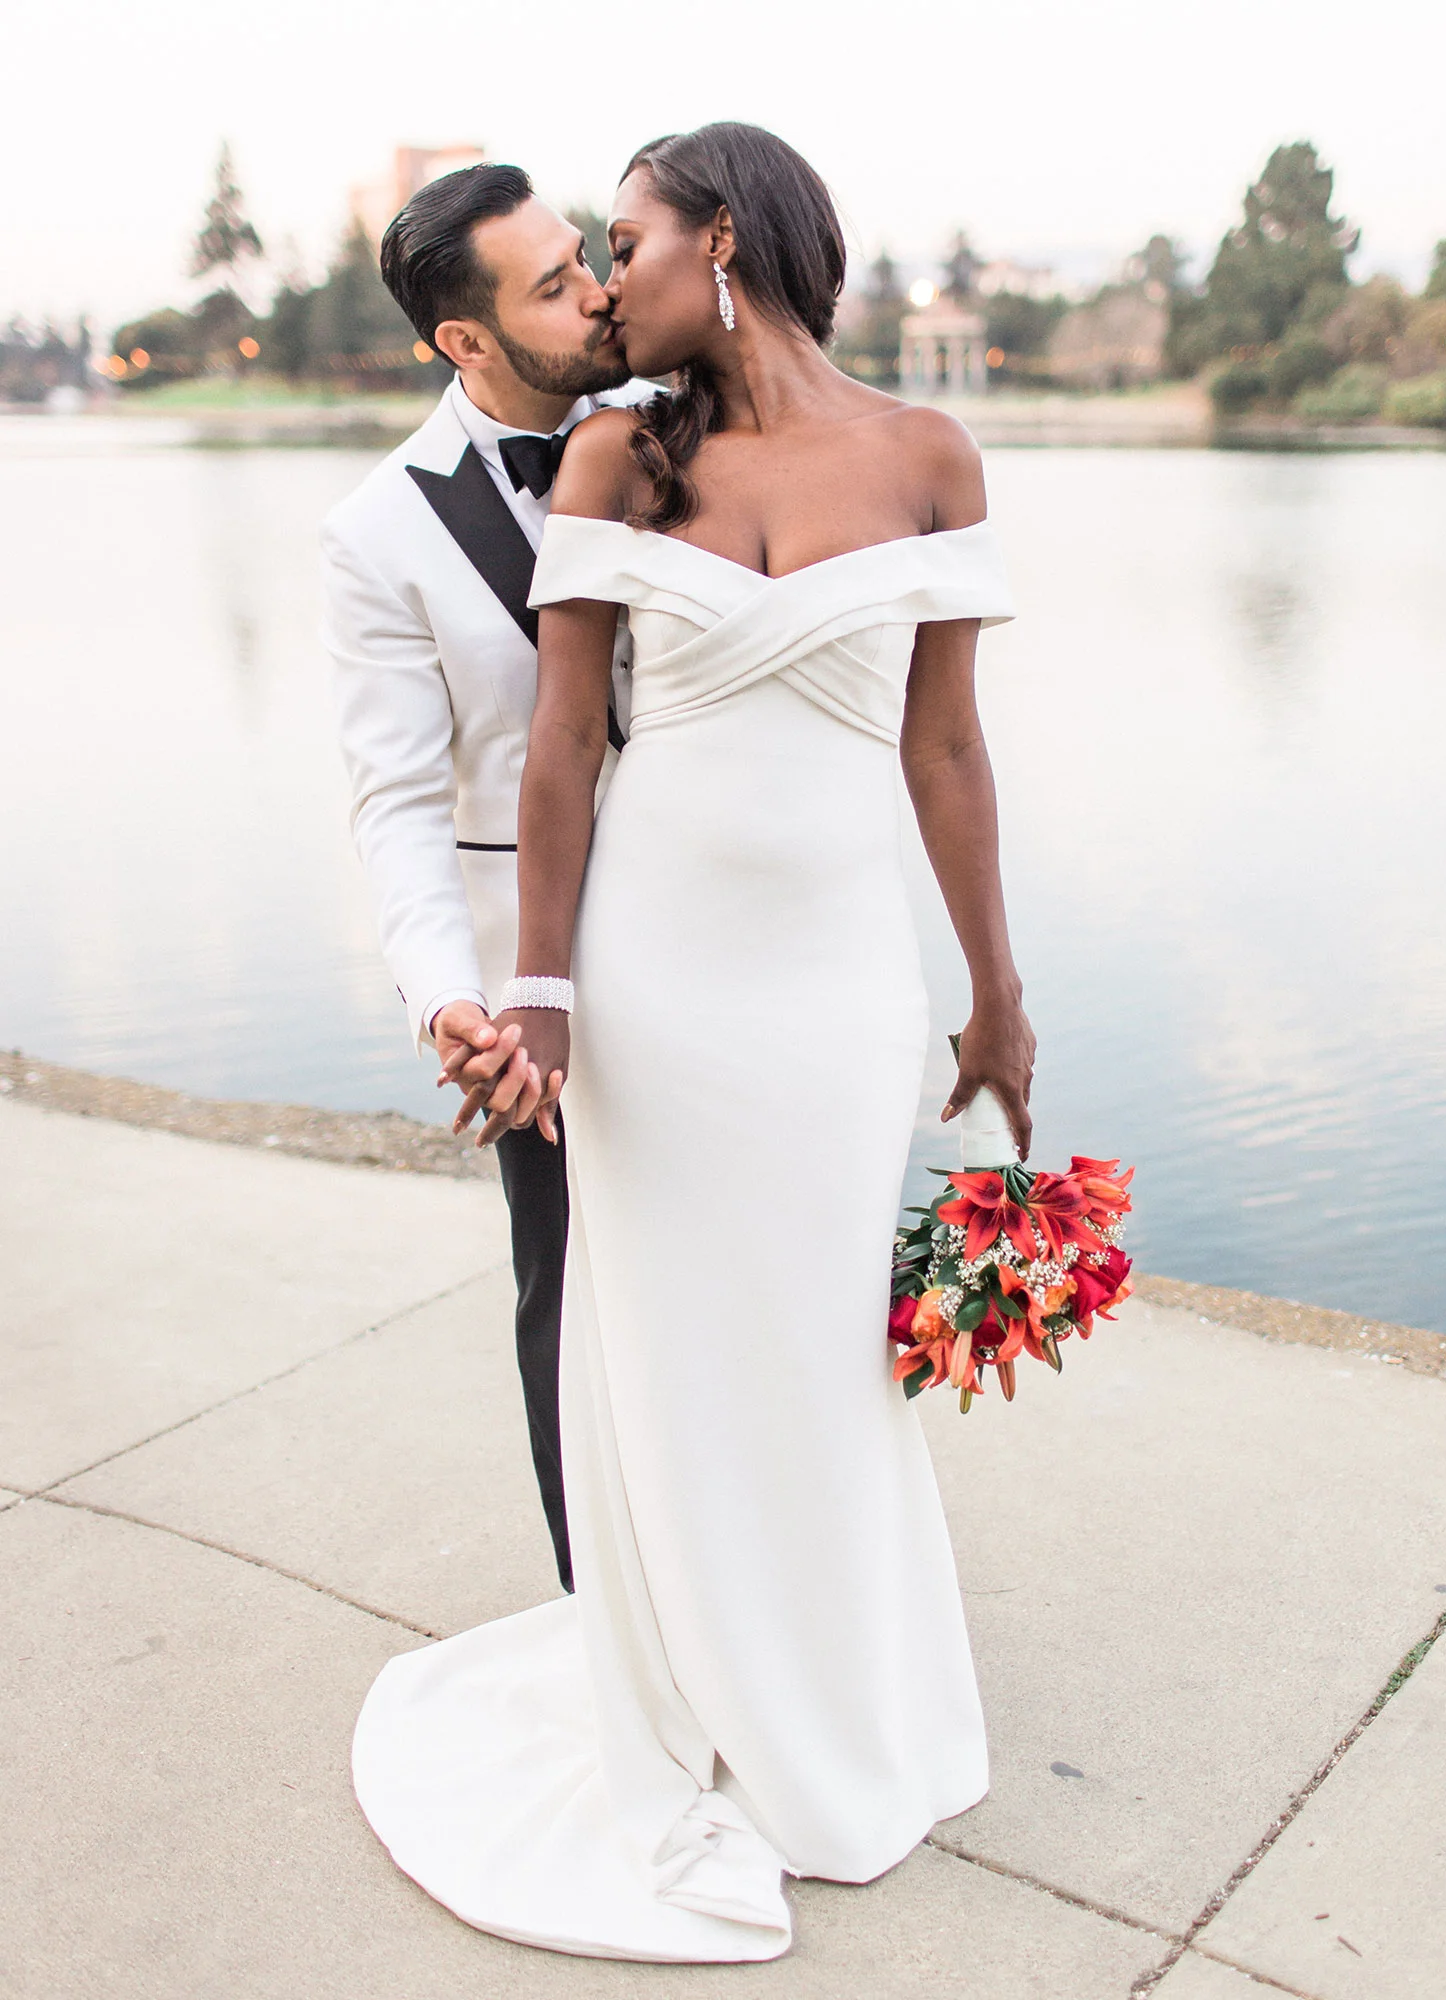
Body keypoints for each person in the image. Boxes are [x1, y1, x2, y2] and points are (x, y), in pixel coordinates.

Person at [351, 123, 1035, 1963]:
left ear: (719, 241)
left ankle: (835, 1695)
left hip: (835, 988)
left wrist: (999, 985)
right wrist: (546, 996)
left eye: (625, 241)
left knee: (821, 1345)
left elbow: (945, 749)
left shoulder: (929, 454)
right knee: (661, 1347)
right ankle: (695, 1706)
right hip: (654, 982)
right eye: (580, 260)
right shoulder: (615, 454)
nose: (605, 281)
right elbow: (561, 749)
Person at [320, 165, 659, 1593]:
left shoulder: (682, 434)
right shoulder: (379, 533)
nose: (597, 291)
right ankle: (615, 1633)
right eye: (552, 283)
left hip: (722, 939)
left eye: (586, 257)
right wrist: (453, 1004)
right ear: (464, 341)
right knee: (571, 1298)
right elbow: (396, 805)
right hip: (537, 985)